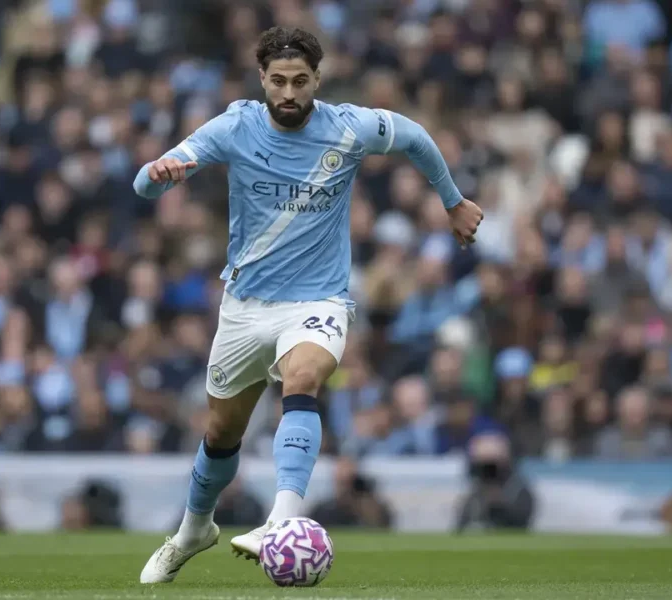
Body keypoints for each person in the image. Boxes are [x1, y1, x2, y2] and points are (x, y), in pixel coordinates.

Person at [134, 26, 483, 584]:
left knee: (303, 378)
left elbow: (415, 135)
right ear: (262, 80)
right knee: (223, 432)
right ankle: (194, 529)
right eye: (278, 81)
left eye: (300, 81)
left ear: (318, 79)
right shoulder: (235, 126)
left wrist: (453, 200)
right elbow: (142, 185)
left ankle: (282, 518)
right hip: (245, 306)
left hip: (318, 300)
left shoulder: (347, 127)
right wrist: (159, 177)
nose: (289, 92)